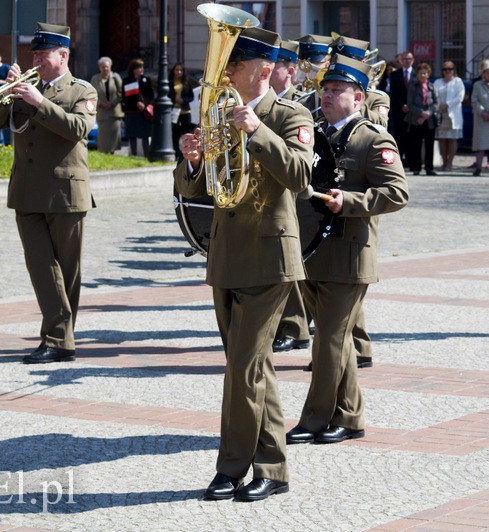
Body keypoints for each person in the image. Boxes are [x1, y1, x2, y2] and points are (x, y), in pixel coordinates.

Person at [175, 27, 313, 502]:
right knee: (251, 367)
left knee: (243, 369)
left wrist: (257, 131)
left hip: (271, 257)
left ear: (264, 70)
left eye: (235, 65)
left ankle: (231, 467)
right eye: (227, 64)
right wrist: (191, 163)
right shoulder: (219, 115)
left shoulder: (289, 114)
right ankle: (273, 469)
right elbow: (198, 191)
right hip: (227, 255)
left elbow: (299, 174)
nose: (225, 72)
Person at [286, 54, 408, 447]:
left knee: (330, 341)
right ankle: (350, 416)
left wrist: (351, 201)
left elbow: (397, 193)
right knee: (333, 340)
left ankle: (315, 417)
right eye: (325, 89)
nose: (327, 95)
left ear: (358, 98)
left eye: (337, 90)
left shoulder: (374, 139)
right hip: (313, 250)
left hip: (350, 254)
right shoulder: (316, 133)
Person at [0, 22, 98, 363]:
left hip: (66, 192)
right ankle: (59, 339)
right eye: (34, 53)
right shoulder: (23, 87)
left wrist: (38, 102)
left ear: (63, 55)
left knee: (67, 271)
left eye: (43, 53)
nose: (36, 59)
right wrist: (8, 91)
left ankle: (59, 339)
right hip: (27, 191)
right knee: (40, 266)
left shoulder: (82, 90)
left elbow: (78, 128)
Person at [269, 38, 311, 354]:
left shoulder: (303, 103)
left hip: (300, 191)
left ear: (290, 71)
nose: (266, 71)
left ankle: (295, 325)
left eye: (274, 66)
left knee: (290, 259)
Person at [404, 62, 439, 175]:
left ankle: (429, 168)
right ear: (417, 74)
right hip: (415, 119)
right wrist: (421, 113)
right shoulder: (412, 86)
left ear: (428, 74)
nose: (422, 75)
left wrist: (427, 113)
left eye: (425, 73)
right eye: (420, 73)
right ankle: (416, 168)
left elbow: (436, 103)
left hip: (429, 121)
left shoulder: (432, 87)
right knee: (416, 144)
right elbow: (410, 104)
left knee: (430, 144)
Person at [434, 60, 464, 172]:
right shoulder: (438, 82)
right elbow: (433, 95)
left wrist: (447, 104)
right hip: (441, 113)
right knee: (442, 139)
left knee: (452, 139)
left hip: (453, 113)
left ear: (454, 70)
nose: (447, 71)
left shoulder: (458, 81)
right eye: (445, 69)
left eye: (450, 69)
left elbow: (460, 97)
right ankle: (444, 161)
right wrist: (439, 105)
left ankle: (450, 163)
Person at [90, 56, 123, 154]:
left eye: (107, 67)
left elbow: (121, 92)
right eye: (103, 67)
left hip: (114, 111)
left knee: (113, 135)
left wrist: (112, 102)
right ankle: (104, 154)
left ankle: (112, 153)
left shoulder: (116, 77)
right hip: (102, 111)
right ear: (99, 67)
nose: (105, 69)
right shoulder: (94, 79)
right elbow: (91, 94)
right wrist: (101, 103)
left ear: (110, 67)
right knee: (103, 136)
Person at [121, 58, 154, 157]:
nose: (142, 69)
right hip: (131, 111)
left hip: (143, 112)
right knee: (132, 135)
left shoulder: (146, 80)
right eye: (139, 67)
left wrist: (144, 103)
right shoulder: (127, 80)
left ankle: (147, 155)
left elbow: (150, 95)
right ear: (134, 69)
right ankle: (133, 155)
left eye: (142, 67)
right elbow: (125, 96)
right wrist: (136, 103)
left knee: (144, 135)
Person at [389, 50, 415, 165]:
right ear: (401, 60)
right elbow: (393, 93)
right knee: (399, 136)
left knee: (413, 137)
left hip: (413, 111)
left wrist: (411, 106)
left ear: (413, 60)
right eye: (405, 59)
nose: (407, 61)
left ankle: (411, 161)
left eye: (409, 59)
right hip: (399, 111)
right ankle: (399, 162)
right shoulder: (395, 74)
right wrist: (402, 105)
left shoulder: (417, 74)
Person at [168, 63, 196, 159]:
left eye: (180, 70)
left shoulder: (186, 82)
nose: (178, 72)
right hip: (174, 111)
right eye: (176, 70)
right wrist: (174, 100)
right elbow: (167, 95)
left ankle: (187, 153)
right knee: (175, 134)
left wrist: (183, 100)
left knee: (187, 134)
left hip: (185, 111)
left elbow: (191, 96)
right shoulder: (170, 82)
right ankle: (176, 154)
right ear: (173, 71)